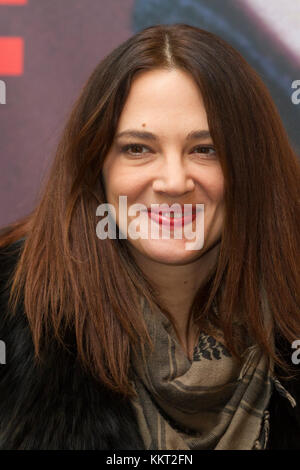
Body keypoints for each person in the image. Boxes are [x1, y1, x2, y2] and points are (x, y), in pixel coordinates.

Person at [0, 23, 300, 450]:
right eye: (138, 148)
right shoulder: (15, 313)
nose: (174, 182)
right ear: (95, 167)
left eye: (206, 149)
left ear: (251, 167)